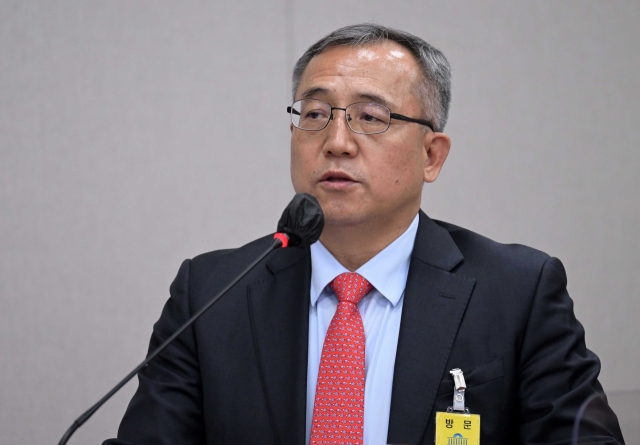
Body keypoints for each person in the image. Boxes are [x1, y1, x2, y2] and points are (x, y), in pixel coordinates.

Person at [105, 24, 624, 445]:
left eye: (370, 117)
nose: (336, 142)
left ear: (431, 155)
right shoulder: (212, 293)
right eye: (314, 114)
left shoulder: (517, 292)